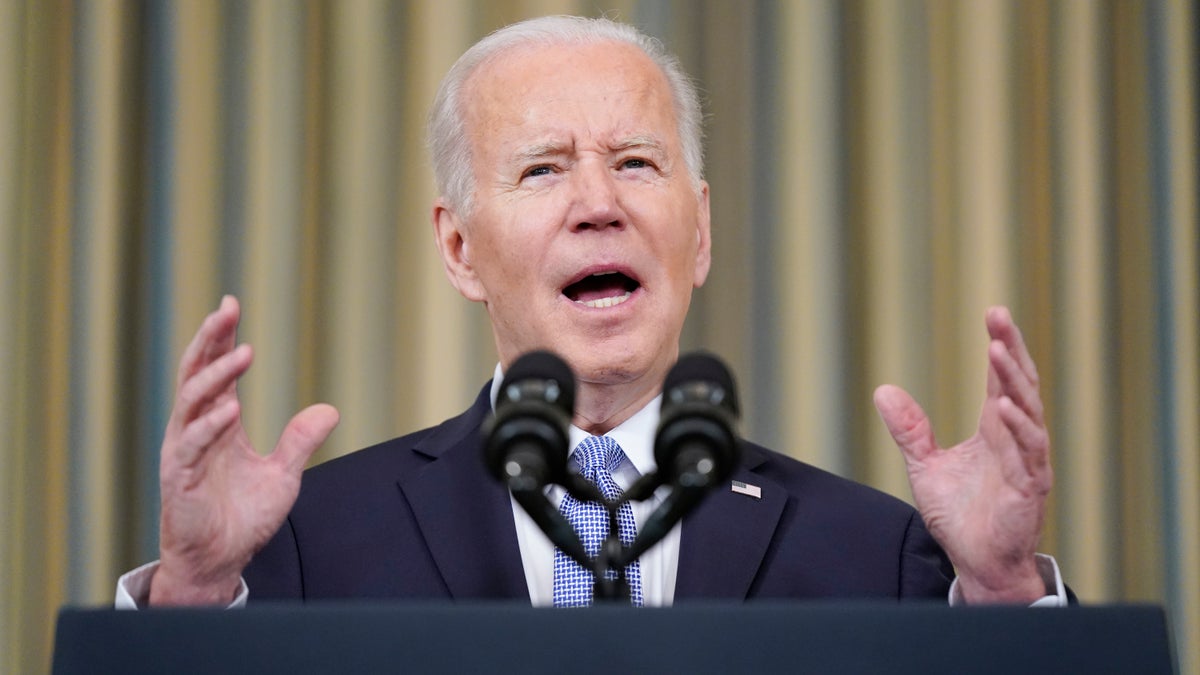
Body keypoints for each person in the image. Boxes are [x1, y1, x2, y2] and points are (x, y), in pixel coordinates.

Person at [118, 15, 1064, 608]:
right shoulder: (305, 548)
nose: (599, 201)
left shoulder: (879, 553)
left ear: (698, 234)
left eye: (636, 162)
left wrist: (1005, 594)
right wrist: (192, 597)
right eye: (542, 168)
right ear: (459, 248)